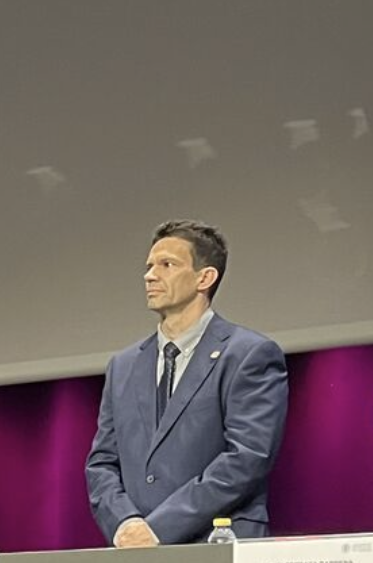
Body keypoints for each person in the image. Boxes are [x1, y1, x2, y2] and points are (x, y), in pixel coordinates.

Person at [85, 220, 289, 546]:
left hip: (218, 548)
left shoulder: (249, 354)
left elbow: (247, 457)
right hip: (136, 553)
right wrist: (125, 523)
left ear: (204, 278)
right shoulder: (123, 365)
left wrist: (160, 528)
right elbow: (102, 463)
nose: (150, 275)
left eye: (167, 265)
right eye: (149, 266)